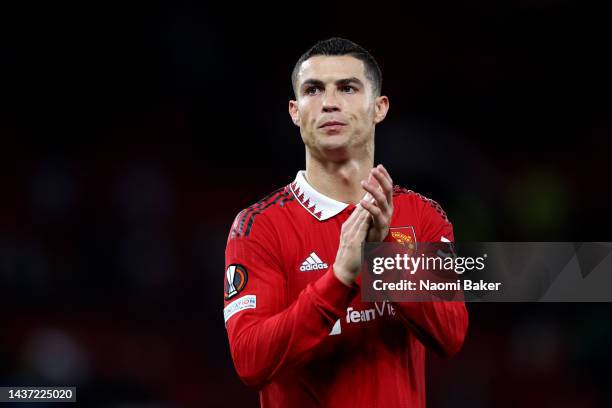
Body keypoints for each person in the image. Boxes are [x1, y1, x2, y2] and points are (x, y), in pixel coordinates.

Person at [223, 37, 468, 408]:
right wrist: (339, 278)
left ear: (379, 108)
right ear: (294, 111)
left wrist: (383, 259)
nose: (330, 102)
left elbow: (451, 335)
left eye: (348, 88)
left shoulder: (422, 217)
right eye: (313, 89)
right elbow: (250, 362)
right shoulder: (258, 227)